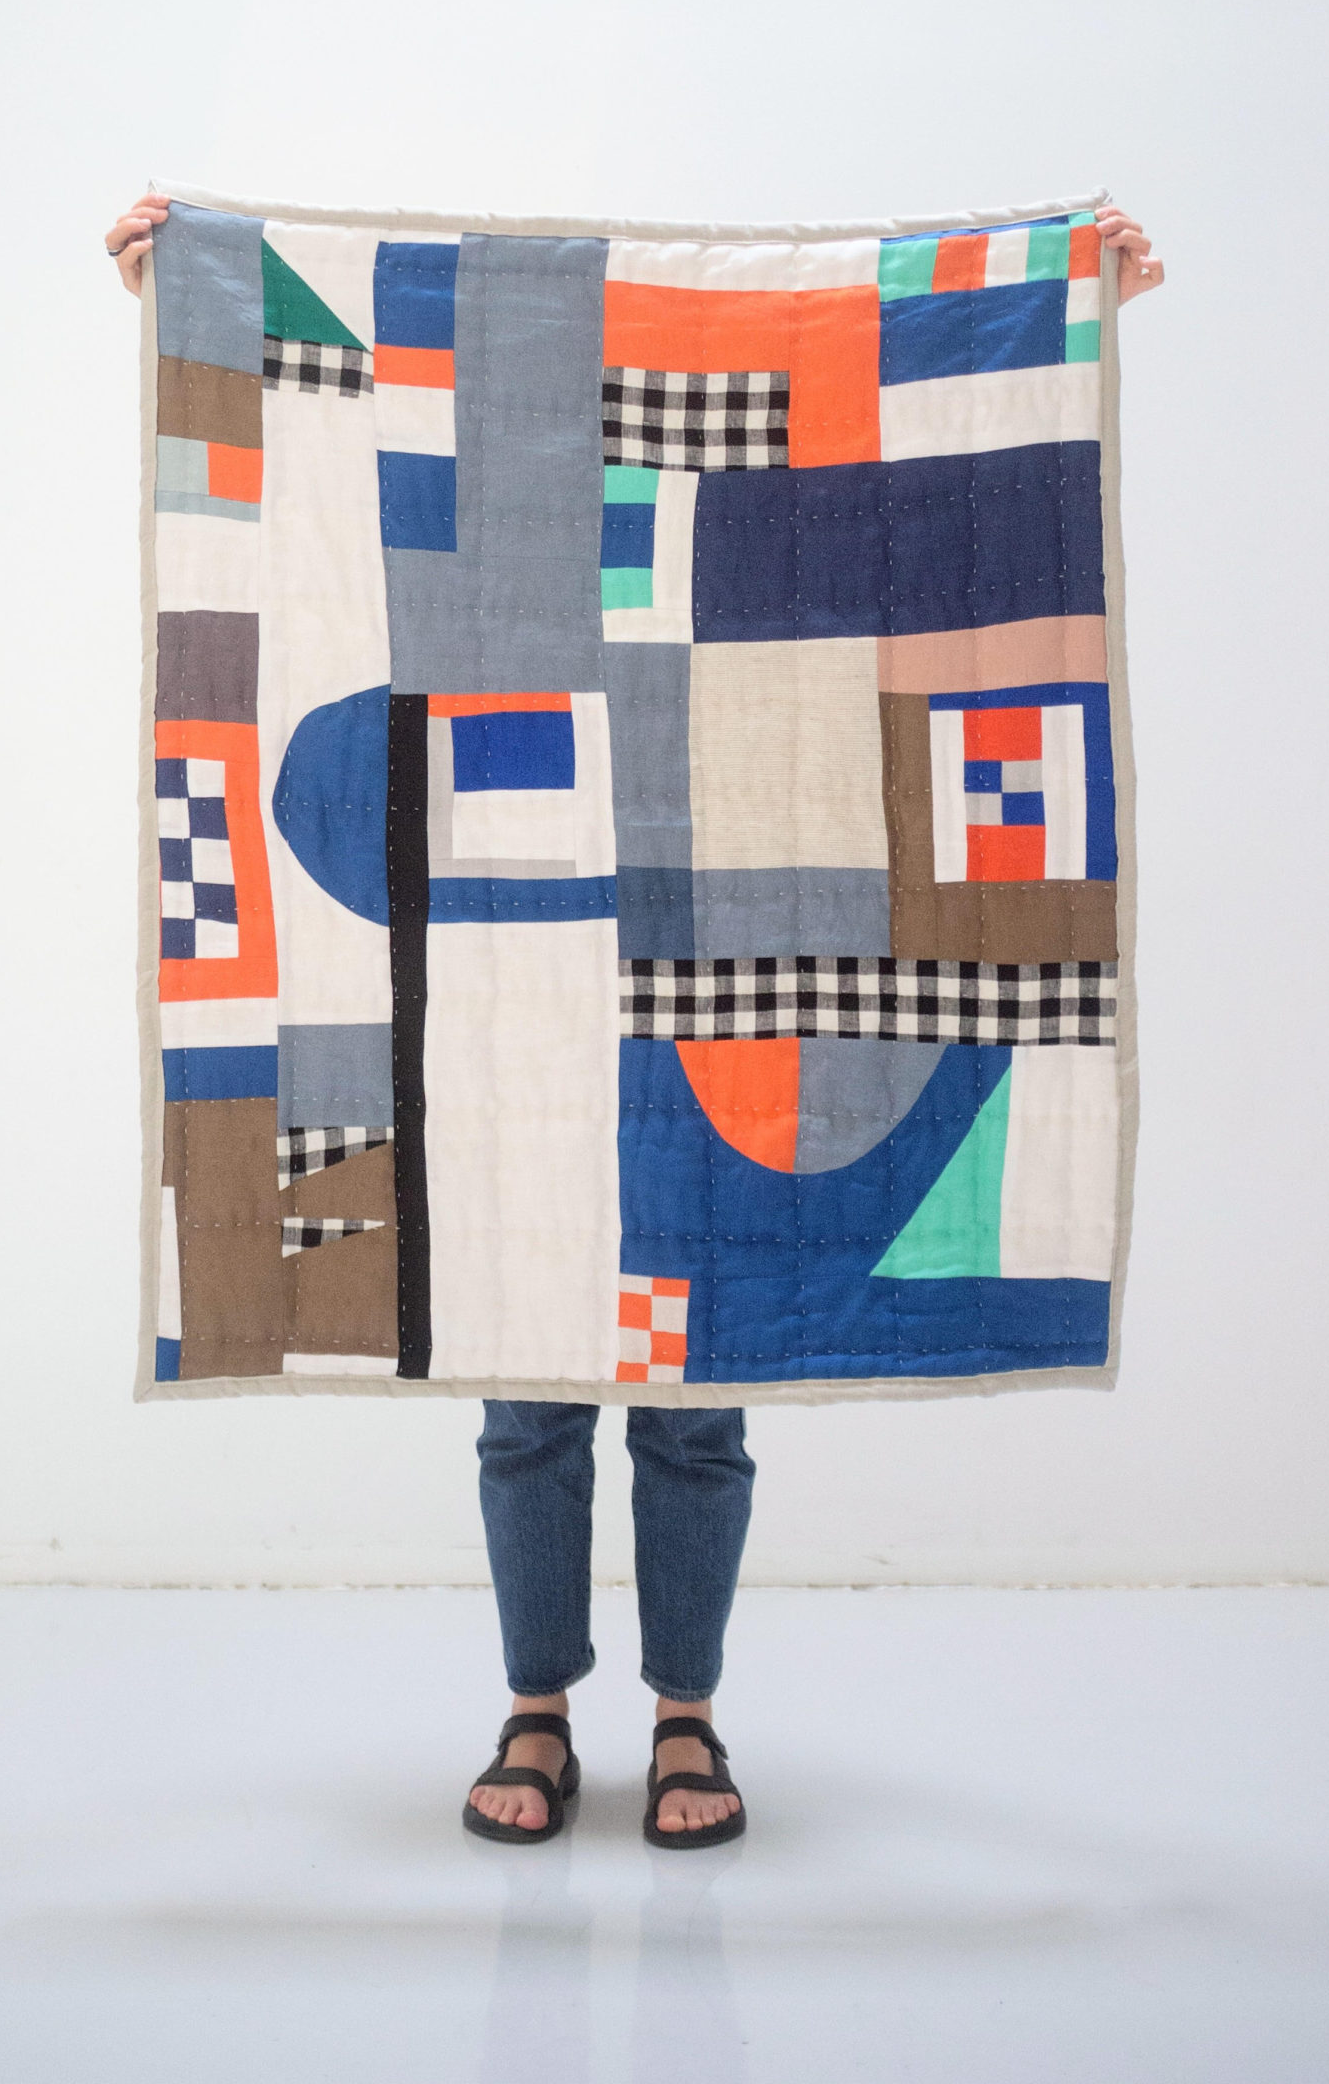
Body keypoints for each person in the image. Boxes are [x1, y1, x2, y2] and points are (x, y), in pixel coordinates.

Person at [108, 188, 1163, 1847]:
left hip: (721, 988)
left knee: (697, 1387)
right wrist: (193, 284)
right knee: (524, 1378)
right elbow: (332, 412)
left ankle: (687, 1717)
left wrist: (1074, 294)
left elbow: (925, 428)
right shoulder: (458, 685)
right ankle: (536, 1707)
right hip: (518, 1023)